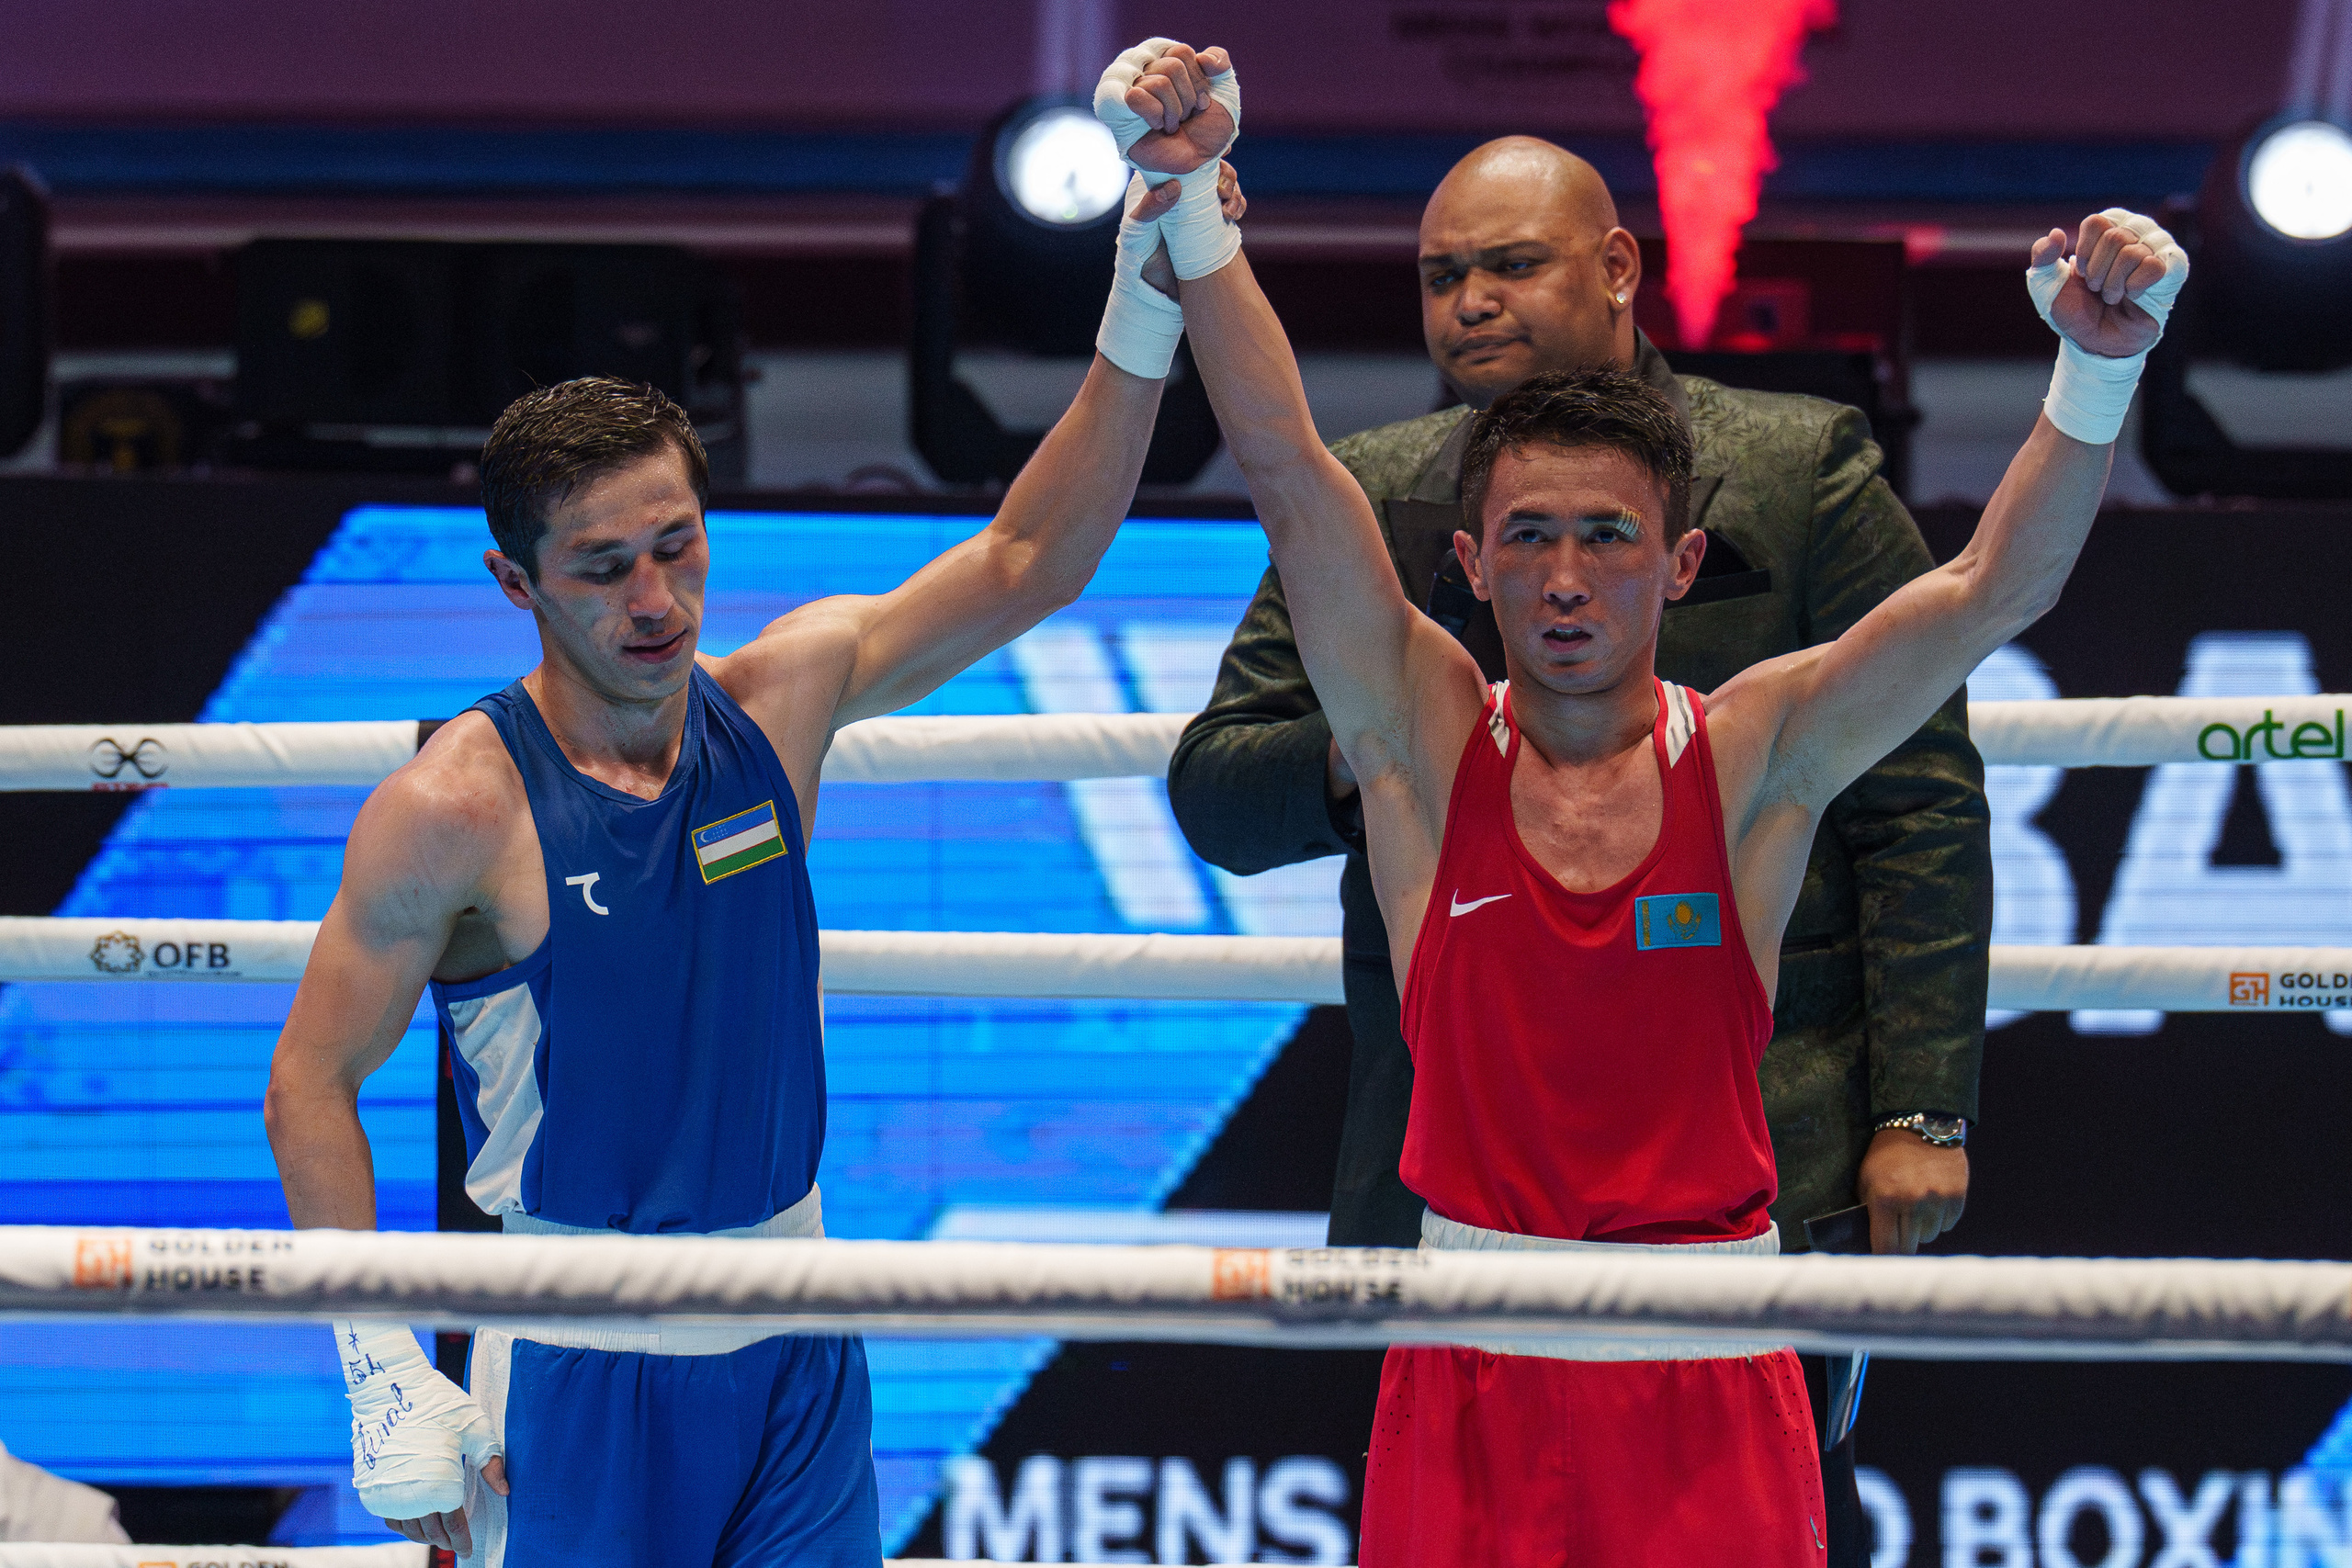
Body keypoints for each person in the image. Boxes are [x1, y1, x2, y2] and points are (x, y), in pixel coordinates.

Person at [1099, 36, 2185, 1561]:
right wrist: (1194, 201)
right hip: (1468, 1332)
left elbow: (1993, 587)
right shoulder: (1419, 745)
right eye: (1528, 537)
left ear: (1677, 565)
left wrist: (2098, 365)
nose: (1565, 578)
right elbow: (1285, 466)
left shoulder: (1752, 756)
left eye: (1606, 537)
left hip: (1709, 1348)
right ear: (1469, 564)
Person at [260, 166, 1225, 1566]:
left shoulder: (782, 696)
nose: (655, 600)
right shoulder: (455, 804)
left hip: (797, 1336)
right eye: (603, 568)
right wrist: (377, 1360)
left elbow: (1032, 558)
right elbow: (310, 1077)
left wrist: (1144, 291)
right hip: (578, 1354)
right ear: (515, 582)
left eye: (676, 545)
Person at [1167, 135, 1986, 1262]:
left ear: (1615, 268)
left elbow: (1921, 804)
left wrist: (1920, 1110)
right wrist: (1386, 744)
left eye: (1511, 265)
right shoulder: (1369, 491)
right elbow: (1219, 789)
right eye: (1441, 275)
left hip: (1761, 1111)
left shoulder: (1796, 467)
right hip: (1450, 1120)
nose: (1471, 302)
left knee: (1746, 1391)